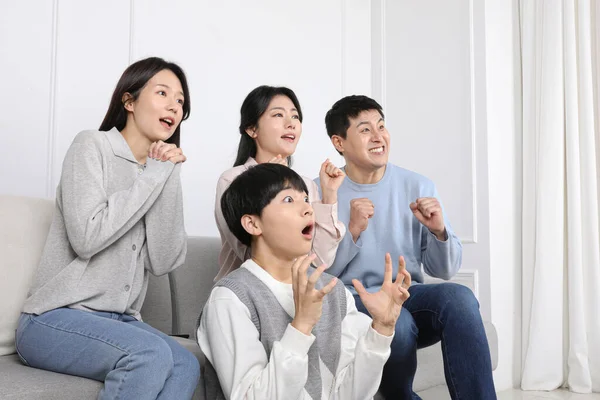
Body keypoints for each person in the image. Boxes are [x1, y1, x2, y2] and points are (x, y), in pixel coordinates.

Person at [15, 57, 200, 400]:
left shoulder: (159, 170)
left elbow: (165, 260)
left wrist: (167, 174)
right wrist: (154, 176)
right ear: (129, 101)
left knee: (186, 365)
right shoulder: (92, 145)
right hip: (52, 319)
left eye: (180, 101)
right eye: (163, 93)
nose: (174, 105)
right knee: (149, 354)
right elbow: (87, 238)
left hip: (120, 321)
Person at [317, 95, 496, 399]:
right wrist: (353, 233)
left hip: (407, 294)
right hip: (353, 301)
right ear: (339, 142)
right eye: (364, 130)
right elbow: (321, 273)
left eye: (382, 126)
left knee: (461, 298)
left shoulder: (418, 186)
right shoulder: (325, 191)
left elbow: (445, 270)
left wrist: (439, 231)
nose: (378, 137)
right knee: (398, 322)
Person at [198, 163, 412, 399]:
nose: (308, 209)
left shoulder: (333, 290)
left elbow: (350, 394)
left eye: (306, 198)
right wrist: (301, 326)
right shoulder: (230, 299)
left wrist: (381, 330)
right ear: (253, 224)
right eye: (289, 200)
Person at [214, 85, 346, 281]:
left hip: (296, 294)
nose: (291, 123)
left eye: (295, 117)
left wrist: (328, 196)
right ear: (252, 129)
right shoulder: (232, 180)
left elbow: (319, 261)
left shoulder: (306, 186)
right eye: (278, 115)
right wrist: (266, 183)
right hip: (245, 292)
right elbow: (252, 256)